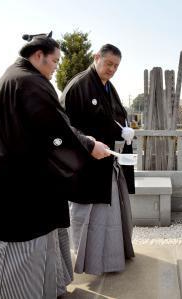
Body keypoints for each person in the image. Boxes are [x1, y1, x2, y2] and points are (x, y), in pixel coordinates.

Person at [0, 32, 110, 299]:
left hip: (7, 179)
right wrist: (87, 146)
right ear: (38, 56)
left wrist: (83, 141)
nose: (56, 68)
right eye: (54, 62)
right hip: (11, 190)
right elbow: (54, 130)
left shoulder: (15, 76)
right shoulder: (28, 83)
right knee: (9, 273)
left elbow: (48, 128)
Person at [61, 44, 135, 276]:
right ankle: (87, 261)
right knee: (87, 215)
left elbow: (116, 117)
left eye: (116, 66)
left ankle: (110, 259)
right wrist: (89, 145)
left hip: (106, 161)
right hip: (85, 165)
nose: (112, 69)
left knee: (110, 215)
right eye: (108, 63)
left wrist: (124, 130)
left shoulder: (108, 87)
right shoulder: (79, 85)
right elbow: (65, 126)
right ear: (96, 58)